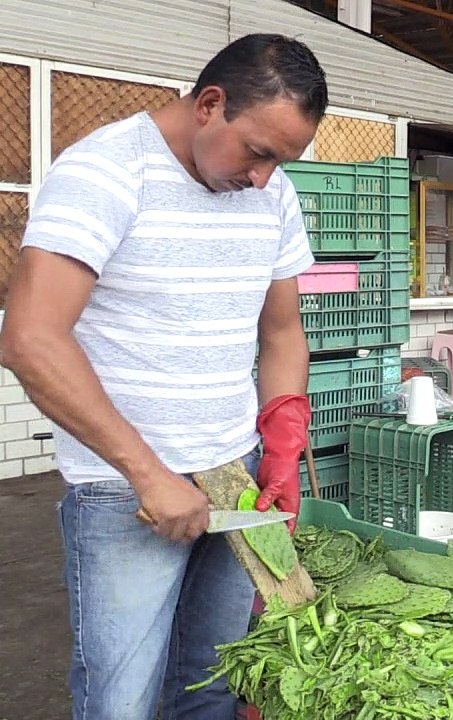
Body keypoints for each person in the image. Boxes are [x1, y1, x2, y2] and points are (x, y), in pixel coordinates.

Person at [0, 34, 326, 719]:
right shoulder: (106, 171)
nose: (262, 177)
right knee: (122, 699)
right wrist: (149, 475)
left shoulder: (273, 193)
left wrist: (282, 440)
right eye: (257, 152)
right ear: (210, 104)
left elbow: (280, 332)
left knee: (213, 683)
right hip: (126, 491)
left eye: (280, 161)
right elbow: (30, 338)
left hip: (234, 474)